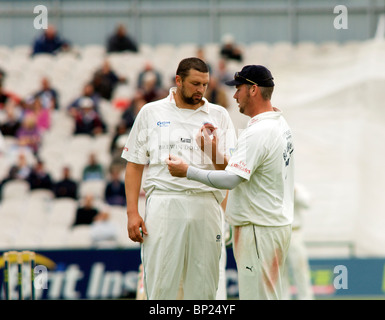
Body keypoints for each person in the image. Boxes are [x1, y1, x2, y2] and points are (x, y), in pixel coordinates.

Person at [166, 64, 295, 300]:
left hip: (258, 227)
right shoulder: (277, 122)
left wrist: (188, 171)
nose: (235, 95)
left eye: (239, 89)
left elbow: (231, 179)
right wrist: (213, 151)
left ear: (253, 90)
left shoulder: (260, 131)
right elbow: (243, 171)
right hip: (270, 225)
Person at [121, 57, 237, 300]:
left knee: (204, 288)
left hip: (206, 204)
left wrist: (212, 150)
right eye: (195, 83)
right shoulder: (150, 112)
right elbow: (134, 165)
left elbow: (230, 172)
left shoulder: (219, 115)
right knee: (162, 286)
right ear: (178, 80)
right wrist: (133, 212)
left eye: (204, 84)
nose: (200, 90)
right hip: (164, 203)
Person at [282, 183, 314, 300]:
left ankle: (305, 297)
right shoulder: (272, 185)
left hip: (295, 233)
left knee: (300, 269)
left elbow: (307, 203)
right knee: (280, 272)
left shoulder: (297, 186)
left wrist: (293, 190)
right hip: (278, 234)